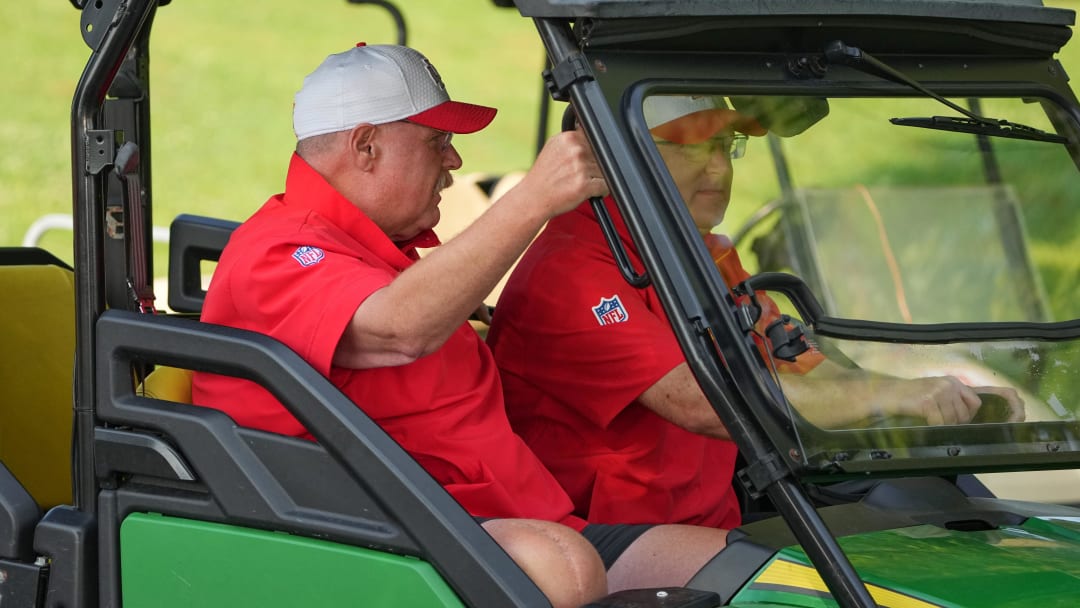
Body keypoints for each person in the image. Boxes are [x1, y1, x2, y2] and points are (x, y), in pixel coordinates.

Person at [190, 45, 729, 608]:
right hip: (390, 535)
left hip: (507, 519)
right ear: (365, 146)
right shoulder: (278, 251)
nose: (453, 162)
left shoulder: (375, 255)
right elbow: (399, 330)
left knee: (755, 570)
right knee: (560, 568)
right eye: (436, 141)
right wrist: (535, 197)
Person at [486, 94, 1025, 530]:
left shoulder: (698, 250)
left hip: (715, 518)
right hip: (622, 541)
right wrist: (888, 396)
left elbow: (805, 365)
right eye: (693, 146)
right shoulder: (570, 270)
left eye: (726, 143)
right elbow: (701, 403)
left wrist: (933, 395)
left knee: (952, 520)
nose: (719, 167)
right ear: (615, 157)